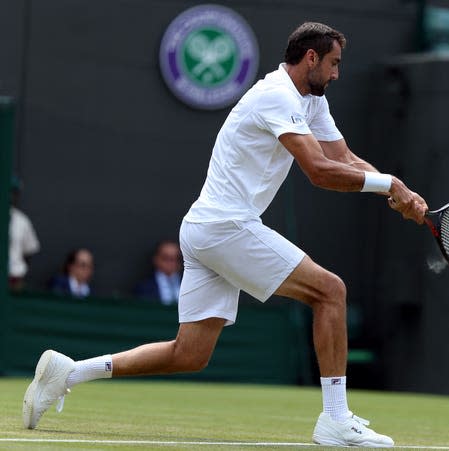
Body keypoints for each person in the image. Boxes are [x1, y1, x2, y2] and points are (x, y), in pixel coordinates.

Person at [22, 22, 427, 447]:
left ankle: (68, 373)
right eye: (333, 64)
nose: (337, 74)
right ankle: (335, 419)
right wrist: (389, 185)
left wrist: (400, 191)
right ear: (311, 58)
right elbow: (320, 172)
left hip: (205, 228)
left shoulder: (309, 101)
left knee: (189, 354)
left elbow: (342, 157)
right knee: (330, 291)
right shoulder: (276, 95)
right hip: (226, 226)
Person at [8, 176, 40, 291]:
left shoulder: (21, 220)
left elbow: (29, 251)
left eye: (14, 192)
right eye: (9, 191)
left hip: (14, 280)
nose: (12, 196)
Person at [133, 240, 182, 305]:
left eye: (176, 258)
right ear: (156, 259)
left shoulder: (190, 283)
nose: (171, 263)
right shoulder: (144, 287)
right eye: (166, 258)